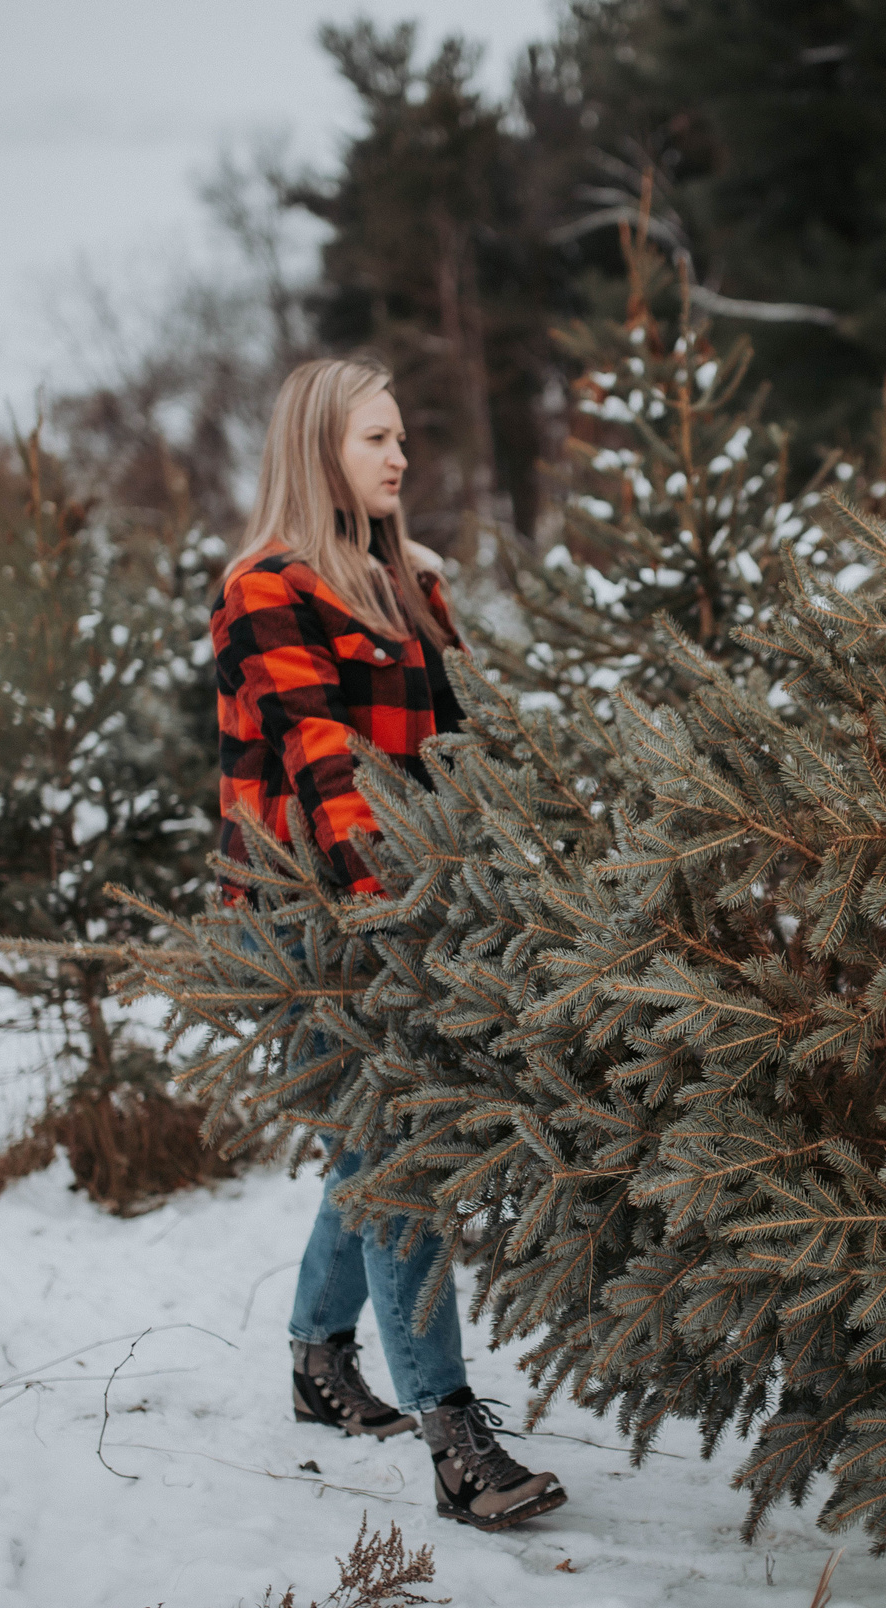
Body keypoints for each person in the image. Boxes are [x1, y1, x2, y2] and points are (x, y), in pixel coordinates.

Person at [211, 353, 565, 1533]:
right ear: (319, 451)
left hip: (421, 905)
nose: (399, 458)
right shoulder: (265, 587)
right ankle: (453, 1433)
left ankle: (318, 1357)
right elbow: (324, 765)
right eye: (374, 440)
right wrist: (393, 904)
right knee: (400, 1153)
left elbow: (462, 741)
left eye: (402, 438)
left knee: (371, 1152)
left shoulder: (406, 581)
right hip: (313, 924)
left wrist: (519, 866)